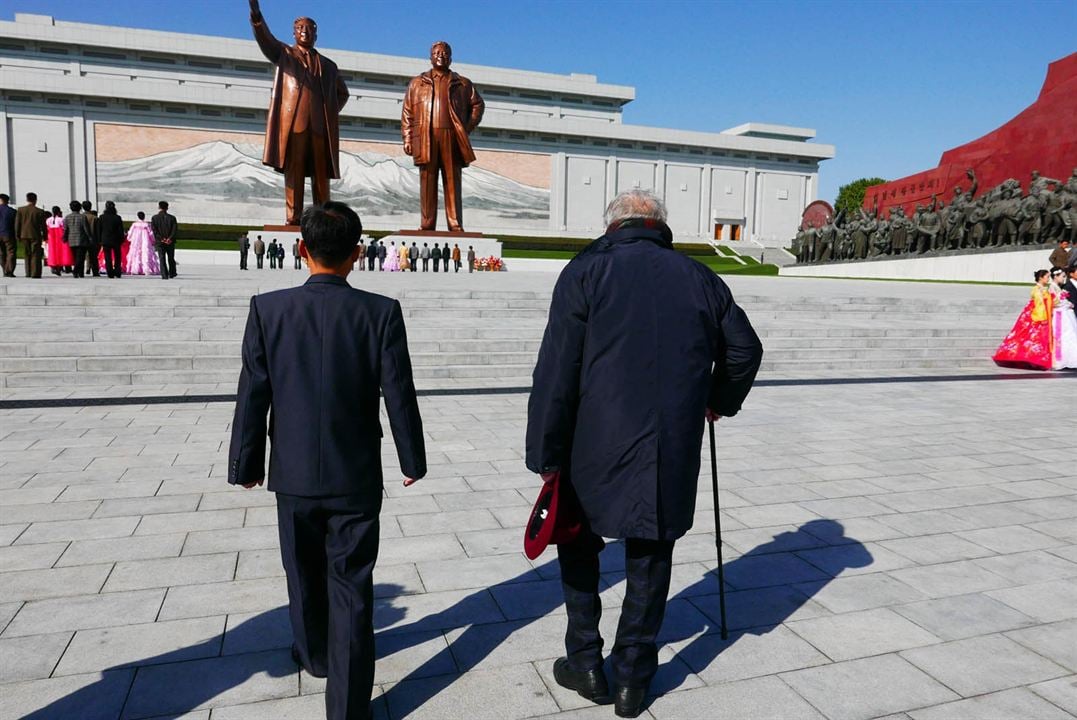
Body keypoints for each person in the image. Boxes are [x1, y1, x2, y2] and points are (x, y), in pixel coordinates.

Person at [525, 190, 763, 718]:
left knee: (578, 540)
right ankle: (633, 677)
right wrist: (716, 401)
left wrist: (544, 449)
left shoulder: (585, 271)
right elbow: (746, 349)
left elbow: (556, 368)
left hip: (592, 435)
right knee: (651, 551)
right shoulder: (698, 276)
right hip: (668, 439)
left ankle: (585, 661)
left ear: (614, 224)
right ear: (659, 225)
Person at [227, 201, 425, 720]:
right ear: (358, 254)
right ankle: (347, 707)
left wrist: (246, 464)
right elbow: (398, 393)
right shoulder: (379, 312)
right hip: (355, 474)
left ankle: (315, 655)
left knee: (302, 571)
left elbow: (254, 393)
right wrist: (412, 459)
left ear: (301, 249)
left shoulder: (268, 309)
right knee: (351, 584)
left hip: (291, 474)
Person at [248, 0, 349, 225]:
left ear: (316, 35)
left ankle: (324, 218)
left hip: (320, 129)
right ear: (294, 33)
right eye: (300, 28)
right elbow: (266, 40)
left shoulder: (329, 66)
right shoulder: (285, 54)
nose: (305, 32)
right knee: (294, 174)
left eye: (309, 29)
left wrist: (329, 113)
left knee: (321, 177)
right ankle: (293, 218)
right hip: (294, 126)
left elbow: (343, 93)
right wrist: (256, 15)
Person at [401, 41, 484, 231]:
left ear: (451, 57)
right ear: (430, 57)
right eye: (437, 52)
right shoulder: (417, 83)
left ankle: (454, 222)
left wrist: (467, 126)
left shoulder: (462, 83)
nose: (441, 55)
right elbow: (407, 112)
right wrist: (407, 137)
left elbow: (478, 104)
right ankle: (427, 222)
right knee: (427, 180)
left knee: (452, 180)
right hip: (425, 136)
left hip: (451, 136)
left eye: (445, 53)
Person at [992, 270, 1054, 370]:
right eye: (1047, 276)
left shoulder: (1043, 289)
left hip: (1038, 315)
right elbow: (1039, 305)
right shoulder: (1037, 289)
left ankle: (1033, 358)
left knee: (1033, 339)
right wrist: (1042, 318)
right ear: (1041, 277)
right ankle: (1031, 358)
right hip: (1036, 316)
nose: (1048, 278)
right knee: (1032, 338)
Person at [14, 192, 48, 278]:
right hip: (35, 235)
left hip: (24, 234)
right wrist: (45, 236)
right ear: (35, 200)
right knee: (36, 254)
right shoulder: (39, 211)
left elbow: (17, 223)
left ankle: (28, 272)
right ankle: (35, 273)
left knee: (27, 254)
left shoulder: (20, 210)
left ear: (27, 199)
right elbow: (43, 226)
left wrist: (17, 235)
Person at [1049, 267, 1077, 369]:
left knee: (1067, 335)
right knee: (1060, 336)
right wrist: (1067, 303)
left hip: (1064, 313)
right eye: (1062, 276)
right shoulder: (1052, 287)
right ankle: (1059, 359)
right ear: (1055, 276)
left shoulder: (1057, 286)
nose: (1064, 279)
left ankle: (1067, 358)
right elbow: (1054, 302)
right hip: (1059, 314)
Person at [95, 200, 126, 278]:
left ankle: (110, 272)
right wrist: (122, 239)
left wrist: (99, 240)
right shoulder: (117, 217)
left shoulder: (102, 217)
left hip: (105, 239)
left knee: (107, 257)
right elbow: (120, 230)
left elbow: (99, 229)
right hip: (116, 240)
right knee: (117, 256)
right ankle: (117, 271)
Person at [63, 200, 93, 279]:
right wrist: (90, 237)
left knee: (76, 257)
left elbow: (66, 229)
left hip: (71, 240)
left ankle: (80, 273)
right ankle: (76, 271)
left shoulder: (67, 217)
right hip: (81, 240)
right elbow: (86, 229)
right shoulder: (82, 217)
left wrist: (65, 238)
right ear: (79, 208)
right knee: (80, 258)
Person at [124, 211, 160, 276]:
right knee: (145, 253)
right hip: (145, 240)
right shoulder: (147, 224)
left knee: (136, 253)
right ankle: (146, 269)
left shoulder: (135, 224)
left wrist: (129, 238)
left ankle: (135, 269)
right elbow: (151, 233)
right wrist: (153, 241)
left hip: (136, 240)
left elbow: (130, 232)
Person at [151, 200, 178, 279]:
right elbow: (174, 230)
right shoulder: (172, 218)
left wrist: (162, 239)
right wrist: (169, 238)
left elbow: (154, 230)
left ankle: (164, 274)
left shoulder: (155, 218)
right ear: (167, 208)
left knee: (162, 258)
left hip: (160, 242)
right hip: (170, 242)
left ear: (159, 207)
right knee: (171, 258)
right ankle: (172, 273)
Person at [45, 206, 72, 276]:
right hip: (60, 237)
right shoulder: (61, 219)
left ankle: (54, 267)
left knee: (53, 252)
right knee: (61, 253)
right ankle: (60, 267)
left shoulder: (48, 220)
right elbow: (65, 228)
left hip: (52, 238)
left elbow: (47, 228)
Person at [81, 201, 100, 277]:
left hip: (82, 239)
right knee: (93, 257)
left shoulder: (80, 216)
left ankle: (83, 270)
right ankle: (95, 271)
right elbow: (98, 230)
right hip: (93, 239)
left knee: (82, 256)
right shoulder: (95, 218)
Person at [0, 193, 16, 277]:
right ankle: (9, 270)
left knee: (2, 253)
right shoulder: (12, 211)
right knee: (11, 252)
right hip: (9, 234)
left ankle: (4, 270)